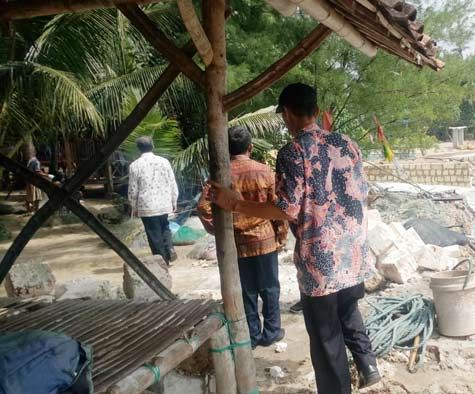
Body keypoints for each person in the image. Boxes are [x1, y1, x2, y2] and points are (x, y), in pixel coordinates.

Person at [208, 83, 381, 393]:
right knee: (348, 311)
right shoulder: (347, 143)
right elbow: (361, 193)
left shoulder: (294, 151)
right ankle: (369, 367)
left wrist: (234, 203)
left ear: (287, 113)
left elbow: (285, 209)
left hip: (321, 263)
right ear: (315, 109)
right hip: (354, 253)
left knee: (326, 337)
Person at [197, 126, 288, 349]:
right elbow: (279, 207)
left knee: (246, 291)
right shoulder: (265, 171)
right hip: (265, 240)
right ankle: (272, 332)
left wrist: (220, 230)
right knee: (270, 288)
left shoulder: (220, 177)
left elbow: (203, 207)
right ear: (251, 147)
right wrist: (281, 236)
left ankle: (253, 336)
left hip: (236, 243)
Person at [128, 136, 179, 264]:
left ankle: (162, 261)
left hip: (147, 205)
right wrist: (174, 200)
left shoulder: (135, 165)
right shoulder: (164, 162)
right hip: (164, 202)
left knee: (153, 234)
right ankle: (169, 248)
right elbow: (172, 182)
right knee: (165, 227)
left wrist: (133, 206)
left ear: (138, 149)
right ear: (153, 146)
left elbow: (133, 189)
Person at [25, 148, 45, 213]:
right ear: (40, 156)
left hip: (29, 180)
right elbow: (37, 171)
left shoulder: (31, 160)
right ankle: (35, 210)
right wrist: (46, 175)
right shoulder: (36, 162)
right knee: (36, 197)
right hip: (34, 181)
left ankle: (30, 210)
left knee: (30, 196)